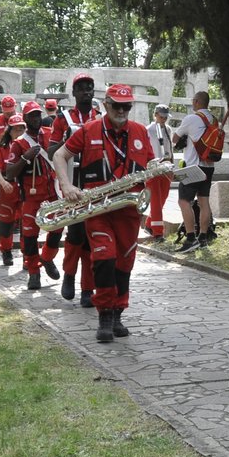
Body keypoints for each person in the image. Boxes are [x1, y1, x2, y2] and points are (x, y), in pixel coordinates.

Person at [52, 83, 153, 342]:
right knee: (104, 257)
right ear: (106, 105)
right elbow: (60, 155)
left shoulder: (141, 131)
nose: (122, 110)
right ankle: (104, 315)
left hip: (128, 209)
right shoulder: (89, 130)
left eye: (127, 106)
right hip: (97, 207)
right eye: (117, 105)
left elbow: (150, 164)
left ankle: (118, 314)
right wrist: (66, 184)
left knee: (124, 263)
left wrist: (161, 170)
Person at [46, 74, 101, 306]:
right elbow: (51, 152)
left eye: (90, 88)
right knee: (76, 234)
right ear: (74, 93)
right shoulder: (63, 118)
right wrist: (68, 140)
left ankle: (88, 289)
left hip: (96, 180)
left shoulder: (101, 117)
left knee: (91, 237)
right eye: (82, 88)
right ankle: (69, 275)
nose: (87, 92)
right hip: (72, 180)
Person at [3, 101, 62, 291]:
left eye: (38, 114)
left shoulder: (51, 134)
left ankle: (47, 258)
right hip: (31, 196)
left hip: (53, 194)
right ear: (25, 119)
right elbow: (10, 173)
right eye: (32, 115)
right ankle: (33, 273)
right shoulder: (19, 144)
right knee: (29, 236)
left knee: (58, 227)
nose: (36, 118)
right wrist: (25, 157)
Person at [174, 91, 221, 252]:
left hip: (193, 166)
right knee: (203, 202)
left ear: (196, 102)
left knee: (183, 201)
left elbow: (175, 138)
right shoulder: (214, 120)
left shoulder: (191, 118)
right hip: (209, 166)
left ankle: (190, 238)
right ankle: (203, 236)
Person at [0, 112, 27, 268]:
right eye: (16, 129)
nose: (19, 133)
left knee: (27, 224)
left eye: (22, 129)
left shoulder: (28, 145)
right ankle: (6, 251)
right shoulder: (1, 147)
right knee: (5, 223)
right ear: (9, 130)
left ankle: (28, 256)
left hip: (24, 188)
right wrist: (3, 182)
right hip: (7, 188)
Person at [144, 104, 177, 240]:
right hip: (153, 166)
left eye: (165, 117)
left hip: (167, 165)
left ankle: (149, 224)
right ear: (155, 115)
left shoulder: (168, 129)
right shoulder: (148, 130)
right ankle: (158, 232)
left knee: (163, 197)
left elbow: (170, 148)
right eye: (161, 116)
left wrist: (172, 166)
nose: (163, 119)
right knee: (156, 199)